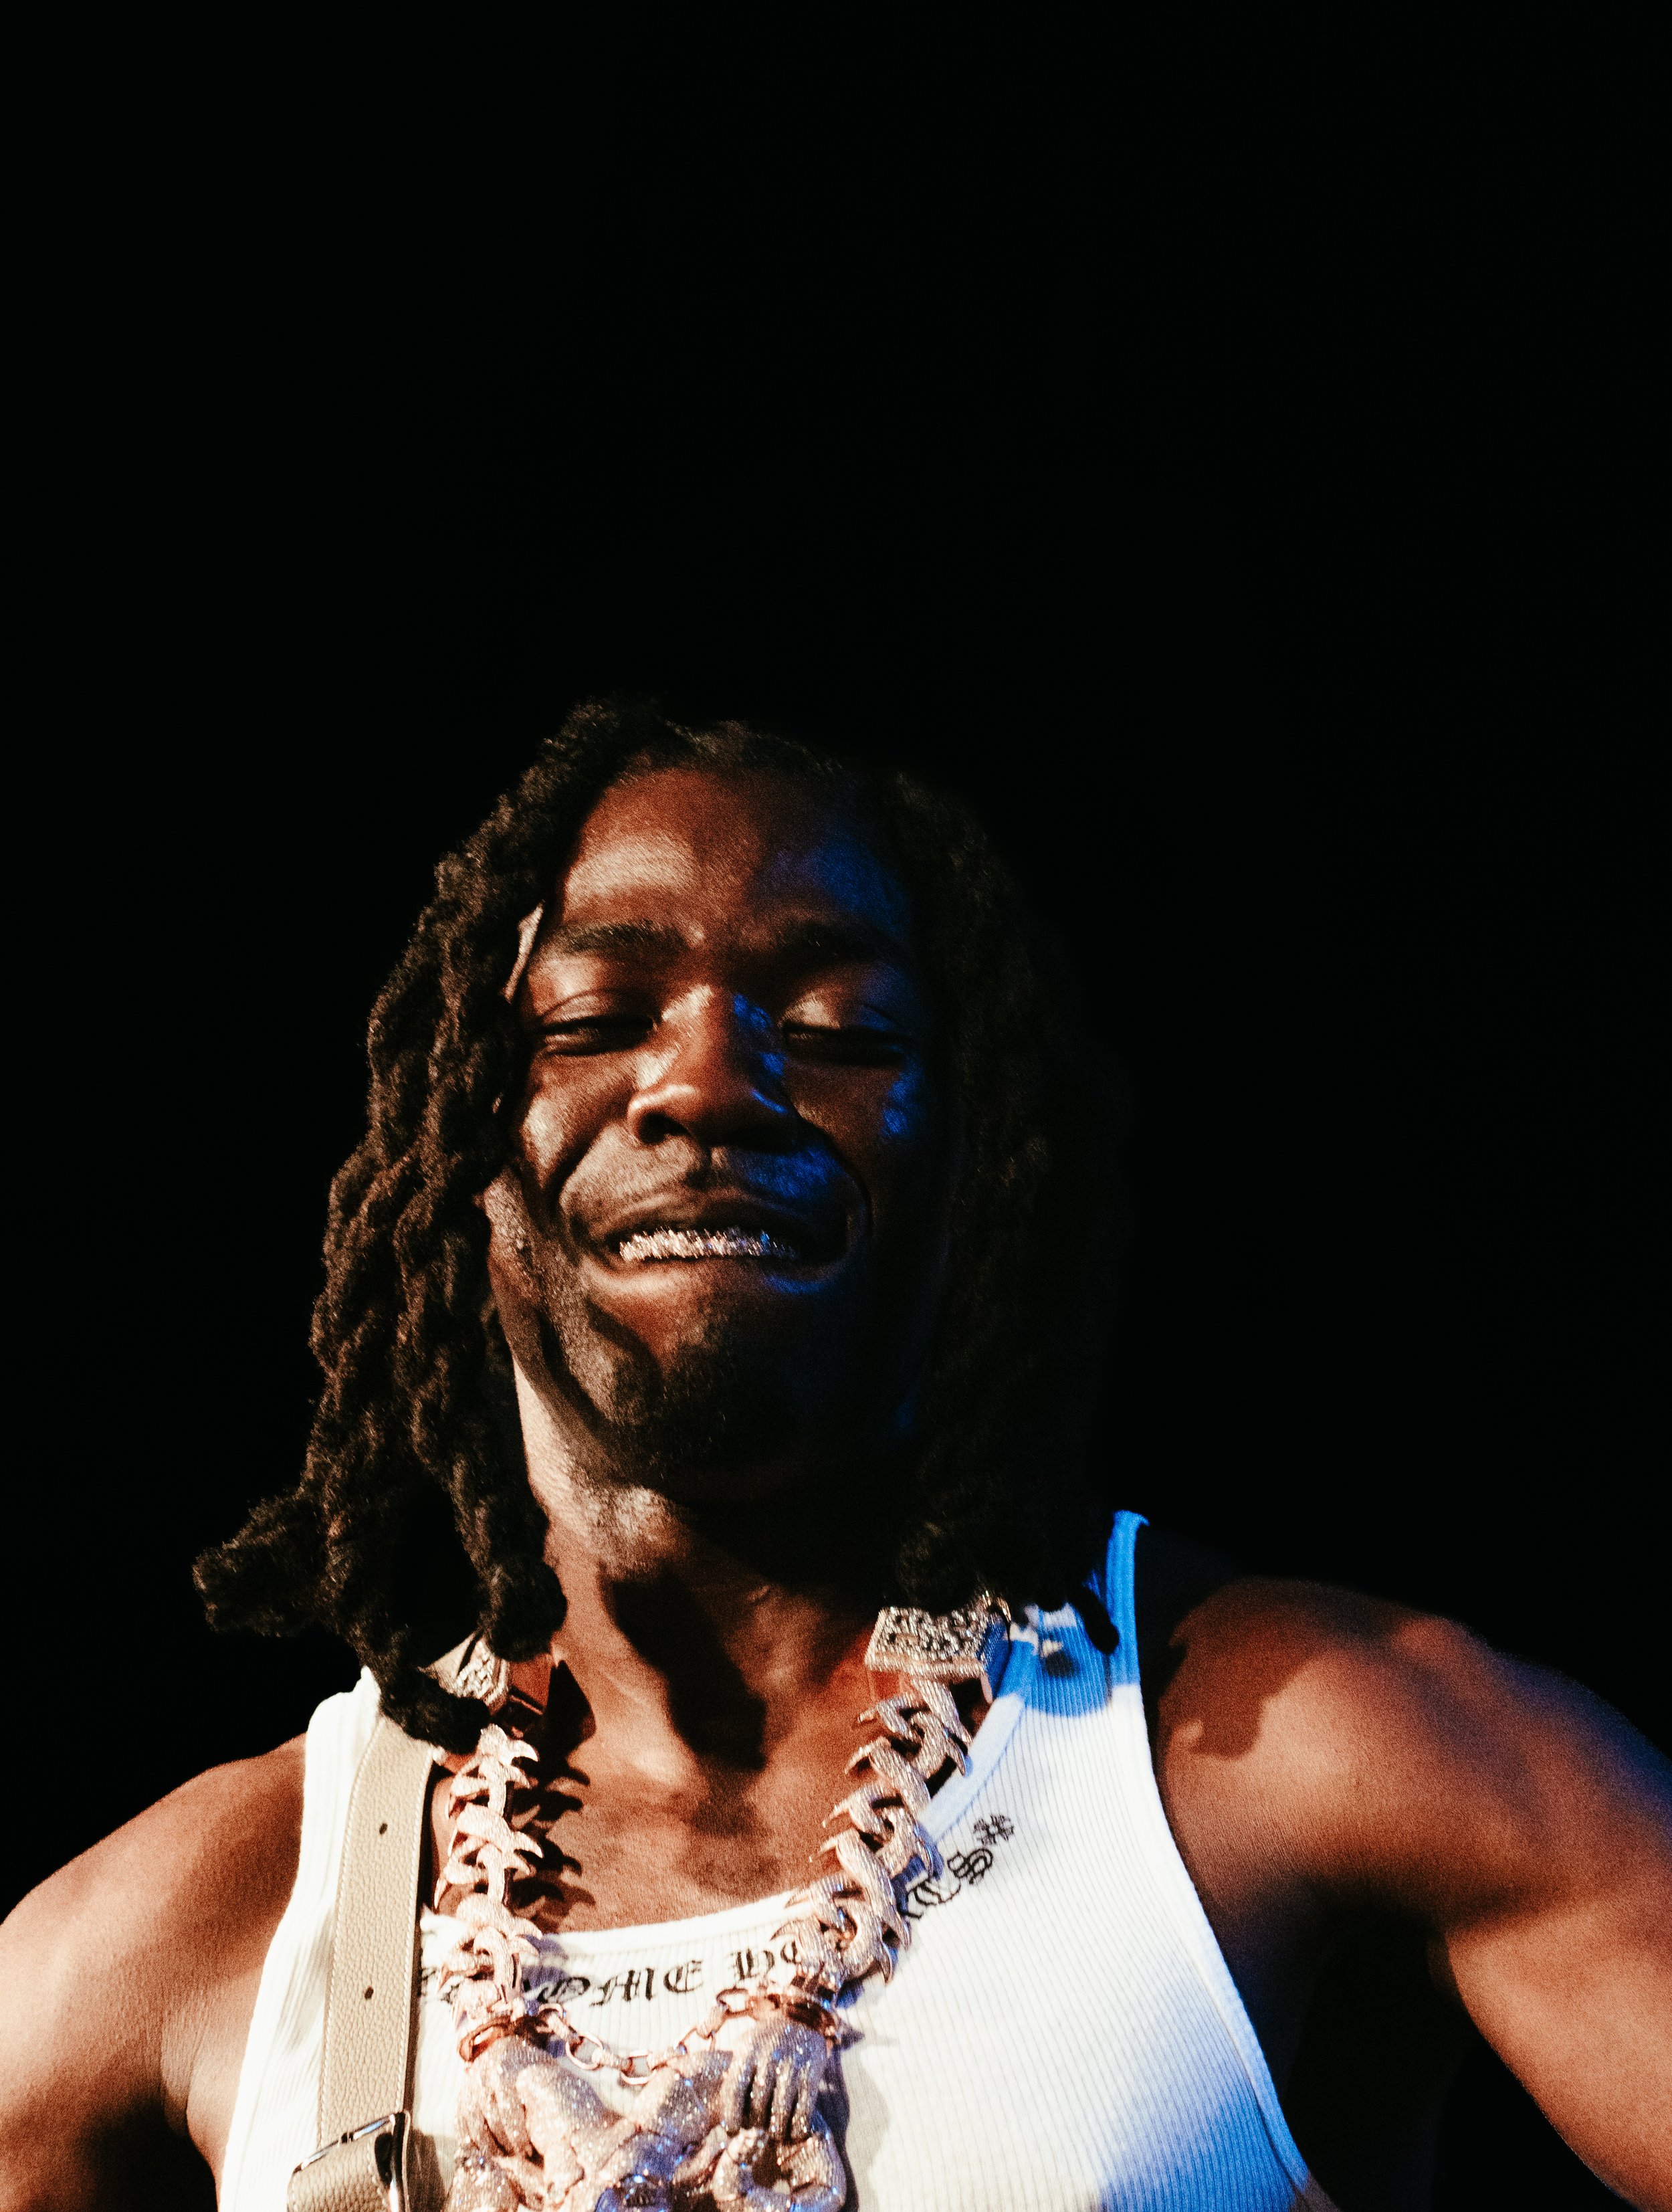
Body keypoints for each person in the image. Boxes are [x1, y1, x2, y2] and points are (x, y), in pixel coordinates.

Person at [1, 700, 1667, 2212]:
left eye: (841, 1028)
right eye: (594, 1014)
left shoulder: (1298, 1756)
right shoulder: (201, 1925)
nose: (710, 1078)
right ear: (455, 1143)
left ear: (970, 1160)